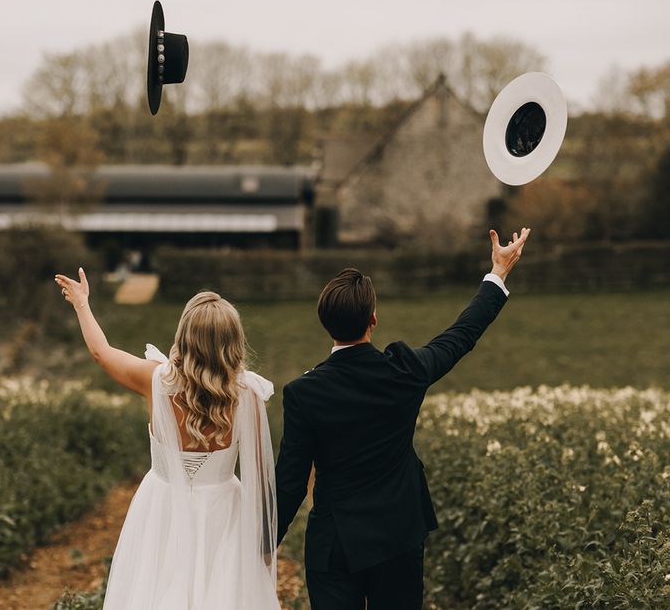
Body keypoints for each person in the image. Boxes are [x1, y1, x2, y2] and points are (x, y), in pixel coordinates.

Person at [275, 227, 530, 610]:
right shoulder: (405, 371)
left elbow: (291, 482)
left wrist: (262, 545)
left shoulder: (303, 393)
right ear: (372, 320)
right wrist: (498, 273)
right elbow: (461, 335)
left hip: (335, 544)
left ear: (324, 322)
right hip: (398, 534)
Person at [54, 270, 280, 610]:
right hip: (225, 512)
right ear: (233, 341)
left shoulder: (157, 381)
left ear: (185, 336)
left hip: (162, 507)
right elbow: (261, 480)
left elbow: (102, 353)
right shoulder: (247, 395)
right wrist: (263, 550)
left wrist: (83, 305)